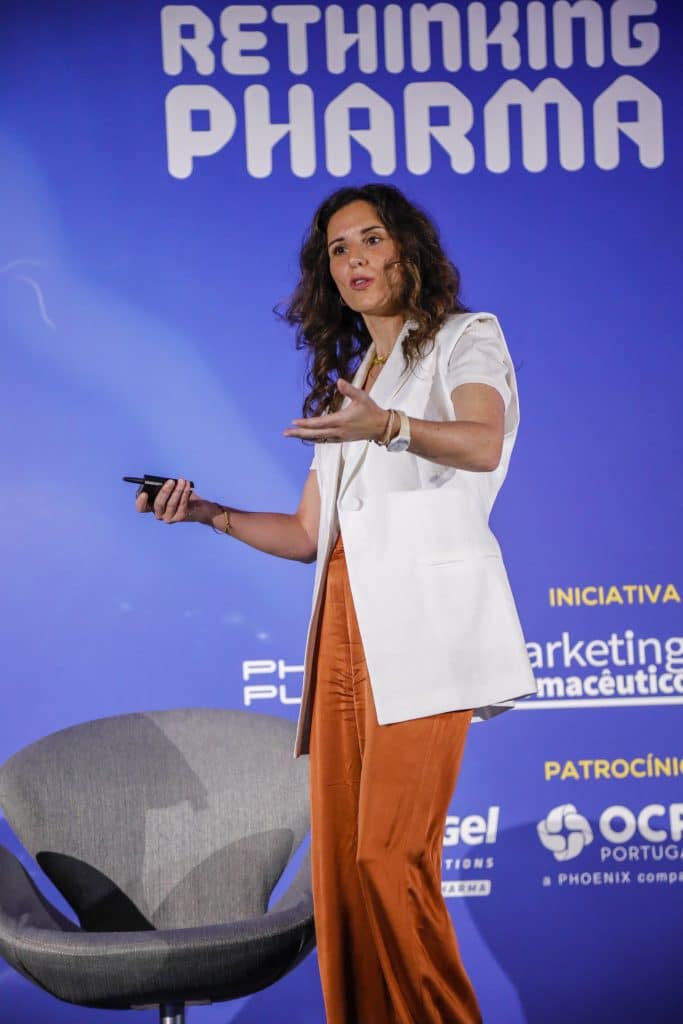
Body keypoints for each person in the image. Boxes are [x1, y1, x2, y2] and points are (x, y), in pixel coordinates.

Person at [136, 183, 537, 1024]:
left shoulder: (465, 338)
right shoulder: (351, 384)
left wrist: (389, 426)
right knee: (346, 875)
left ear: (408, 250)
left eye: (370, 238)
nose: (354, 258)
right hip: (344, 633)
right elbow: (305, 535)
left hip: (425, 633)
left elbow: (479, 441)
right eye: (337, 249)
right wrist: (207, 513)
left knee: (390, 859)